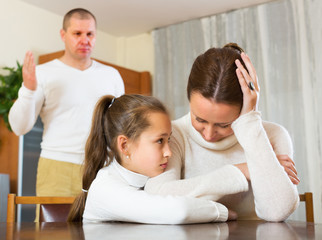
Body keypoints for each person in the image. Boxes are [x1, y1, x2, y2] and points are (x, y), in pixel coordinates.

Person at [144, 43, 300, 222]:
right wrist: (242, 171)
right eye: (200, 119)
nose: (209, 135)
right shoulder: (173, 134)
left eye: (224, 125)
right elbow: (157, 196)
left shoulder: (272, 134)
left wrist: (250, 122)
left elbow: (276, 212)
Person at [8, 8, 124, 198]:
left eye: (90, 34)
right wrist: (28, 90)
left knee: (102, 228)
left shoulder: (111, 75)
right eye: (77, 33)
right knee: (52, 228)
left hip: (102, 168)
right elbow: (19, 127)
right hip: (56, 166)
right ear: (63, 35)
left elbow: (120, 127)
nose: (84, 40)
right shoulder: (43, 73)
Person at [68, 94, 233, 224]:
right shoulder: (106, 189)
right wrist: (223, 212)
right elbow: (179, 211)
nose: (169, 152)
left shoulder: (148, 178)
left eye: (168, 140)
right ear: (125, 145)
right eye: (159, 141)